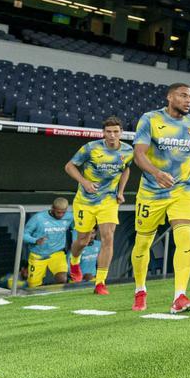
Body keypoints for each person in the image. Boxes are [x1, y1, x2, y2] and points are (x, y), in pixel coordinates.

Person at [131, 83, 190, 313]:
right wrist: (156, 173)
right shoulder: (149, 119)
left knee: (185, 238)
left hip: (184, 190)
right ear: (170, 97)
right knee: (143, 242)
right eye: (183, 95)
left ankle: (180, 295)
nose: (188, 100)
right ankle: (140, 289)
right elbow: (138, 154)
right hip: (152, 192)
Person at [64, 116, 133, 295]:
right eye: (108, 132)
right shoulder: (90, 148)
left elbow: (126, 169)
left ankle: (100, 282)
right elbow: (69, 166)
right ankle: (75, 261)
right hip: (85, 201)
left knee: (108, 237)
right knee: (83, 240)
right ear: (103, 133)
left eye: (116, 132)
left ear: (121, 132)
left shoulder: (127, 150)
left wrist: (120, 191)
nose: (112, 135)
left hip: (108, 201)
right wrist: (84, 181)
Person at [24, 198, 74, 288]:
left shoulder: (70, 217)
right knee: (33, 285)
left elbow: (76, 228)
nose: (61, 215)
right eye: (58, 212)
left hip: (57, 253)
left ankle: (58, 299)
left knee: (62, 279)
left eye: (63, 212)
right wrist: (35, 240)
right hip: (38, 255)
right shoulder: (38, 218)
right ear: (52, 208)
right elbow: (23, 234)